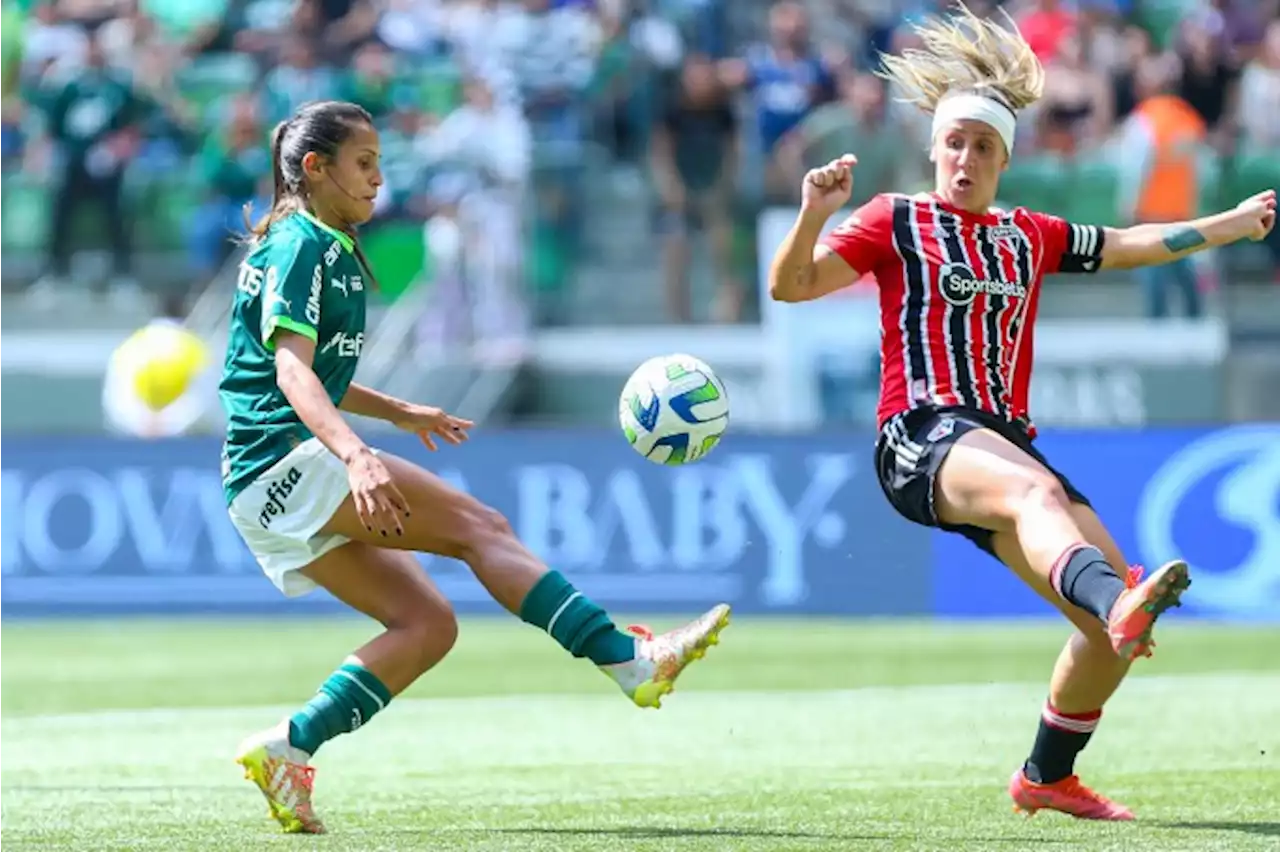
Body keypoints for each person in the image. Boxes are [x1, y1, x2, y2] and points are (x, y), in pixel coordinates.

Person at [767, 5, 1275, 822]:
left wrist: (1230, 225)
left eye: (984, 147)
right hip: (921, 435)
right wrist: (813, 214)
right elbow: (789, 287)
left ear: (1005, 158)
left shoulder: (1025, 234)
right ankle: (1119, 604)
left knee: (1114, 638)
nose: (966, 159)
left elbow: (1131, 243)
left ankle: (1046, 774)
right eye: (955, 144)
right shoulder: (895, 221)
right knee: (1062, 529)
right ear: (935, 148)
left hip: (1001, 443)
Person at [220, 100, 731, 835]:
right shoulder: (306, 245)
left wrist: (398, 413)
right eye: (363, 164)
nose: (377, 179)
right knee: (481, 528)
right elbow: (294, 377)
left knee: (426, 623)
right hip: (286, 461)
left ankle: (288, 746)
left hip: (257, 486)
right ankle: (628, 660)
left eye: (380, 163)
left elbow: (299, 372)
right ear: (314, 168)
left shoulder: (307, 241)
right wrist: (359, 454)